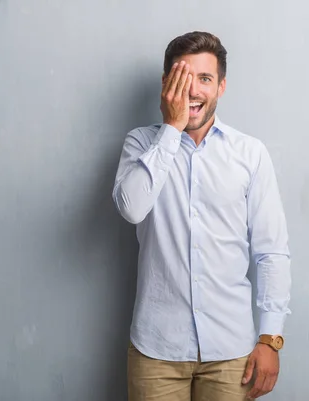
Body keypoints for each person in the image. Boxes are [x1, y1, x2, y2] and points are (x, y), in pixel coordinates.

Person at [112, 31, 292, 401]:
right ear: (166, 84)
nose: (193, 90)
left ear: (221, 86)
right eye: (182, 77)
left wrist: (270, 339)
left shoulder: (250, 154)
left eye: (205, 79)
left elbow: (270, 251)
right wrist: (172, 129)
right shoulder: (140, 144)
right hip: (156, 351)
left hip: (232, 352)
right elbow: (131, 208)